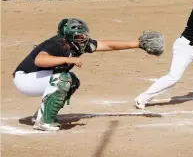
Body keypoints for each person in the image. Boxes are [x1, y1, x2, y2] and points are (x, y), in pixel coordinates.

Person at [13, 18, 162, 131]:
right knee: (63, 79)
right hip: (26, 79)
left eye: (84, 35)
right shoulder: (56, 44)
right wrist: (66, 59)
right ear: (68, 38)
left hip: (37, 78)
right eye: (79, 37)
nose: (83, 39)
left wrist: (136, 44)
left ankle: (42, 114)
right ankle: (44, 122)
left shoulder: (78, 44)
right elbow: (40, 60)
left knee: (72, 80)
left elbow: (107, 45)